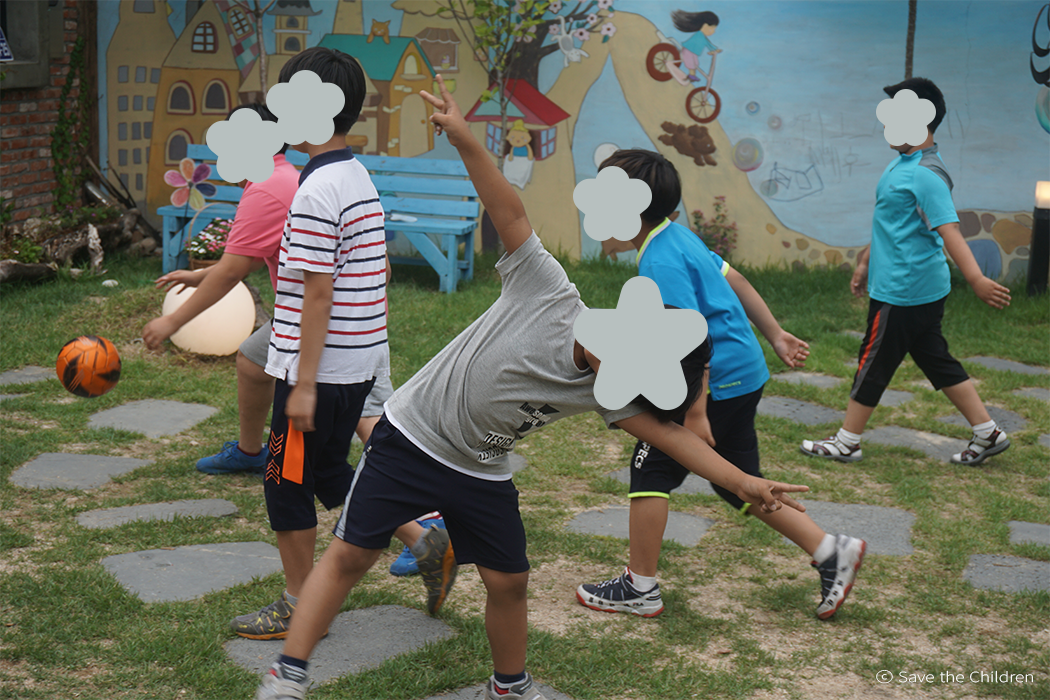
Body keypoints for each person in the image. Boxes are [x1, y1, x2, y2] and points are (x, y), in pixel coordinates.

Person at [253, 73, 810, 700]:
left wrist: (743, 481)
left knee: (510, 581)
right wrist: (464, 137)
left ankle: (510, 686)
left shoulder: (607, 390)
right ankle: (289, 674)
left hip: (482, 468)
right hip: (412, 438)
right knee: (352, 555)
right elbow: (509, 210)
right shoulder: (548, 289)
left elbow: (671, 437)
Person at [575, 149, 866, 621]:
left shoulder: (659, 263)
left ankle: (639, 586)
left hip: (715, 384)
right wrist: (774, 334)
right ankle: (830, 549)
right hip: (743, 373)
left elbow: (691, 337)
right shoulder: (678, 237)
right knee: (737, 481)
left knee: (651, 471)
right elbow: (738, 280)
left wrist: (694, 414)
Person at [231, 47, 457, 643]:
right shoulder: (354, 175)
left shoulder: (314, 192)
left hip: (320, 372)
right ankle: (425, 541)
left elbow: (317, 294)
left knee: (285, 482)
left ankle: (298, 604)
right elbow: (375, 268)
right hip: (355, 365)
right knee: (328, 468)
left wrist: (303, 384)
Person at [141, 103, 398, 475]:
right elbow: (248, 257)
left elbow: (233, 272)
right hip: (348, 310)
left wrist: (171, 322)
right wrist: (200, 275)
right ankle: (250, 452)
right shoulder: (289, 176)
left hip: (333, 320)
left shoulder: (266, 189)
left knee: (366, 412)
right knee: (252, 359)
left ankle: (412, 492)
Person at [800, 77, 1012, 466]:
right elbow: (891, 222)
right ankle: (988, 432)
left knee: (873, 361)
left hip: (904, 290)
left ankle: (847, 441)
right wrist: (865, 261)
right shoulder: (903, 165)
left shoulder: (924, 174)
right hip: (912, 287)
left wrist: (977, 279)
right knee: (934, 358)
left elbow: (949, 231)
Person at [671, 10, 722, 84]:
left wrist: (714, 50)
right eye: (712, 28)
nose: (713, 31)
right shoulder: (699, 35)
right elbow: (708, 44)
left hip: (692, 53)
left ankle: (692, 75)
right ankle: (691, 76)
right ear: (705, 26)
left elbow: (708, 44)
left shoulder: (702, 37)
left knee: (695, 63)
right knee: (691, 64)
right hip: (688, 51)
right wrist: (714, 50)